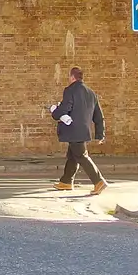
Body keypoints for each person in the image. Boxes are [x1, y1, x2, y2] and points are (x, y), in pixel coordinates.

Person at [48, 66, 107, 195]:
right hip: (84, 130)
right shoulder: (91, 93)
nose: (68, 79)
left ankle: (99, 181)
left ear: (72, 77)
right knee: (72, 156)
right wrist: (99, 134)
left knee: (81, 156)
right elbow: (98, 115)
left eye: (69, 76)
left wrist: (55, 112)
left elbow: (65, 108)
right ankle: (66, 181)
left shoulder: (70, 90)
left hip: (73, 129)